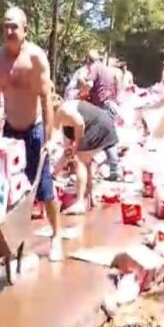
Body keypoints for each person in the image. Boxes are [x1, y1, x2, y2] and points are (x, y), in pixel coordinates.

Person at [0, 6, 62, 262]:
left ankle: (56, 236)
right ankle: (15, 241)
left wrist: (49, 139)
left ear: (25, 30)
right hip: (10, 132)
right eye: (6, 26)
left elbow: (46, 99)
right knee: (10, 190)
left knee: (44, 188)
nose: (9, 31)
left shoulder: (36, 58)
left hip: (35, 130)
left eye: (14, 26)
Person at [52, 99, 118, 215]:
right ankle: (89, 196)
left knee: (79, 160)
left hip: (98, 125)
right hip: (104, 124)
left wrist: (77, 144)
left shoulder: (62, 111)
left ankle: (79, 203)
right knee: (85, 161)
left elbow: (80, 124)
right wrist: (53, 173)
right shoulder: (66, 124)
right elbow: (67, 153)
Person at [81, 53, 121, 181]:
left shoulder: (95, 67)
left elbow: (89, 84)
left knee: (98, 137)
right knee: (107, 138)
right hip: (112, 104)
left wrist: (80, 94)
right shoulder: (109, 70)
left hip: (103, 106)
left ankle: (88, 168)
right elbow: (117, 88)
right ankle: (113, 170)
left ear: (89, 61)